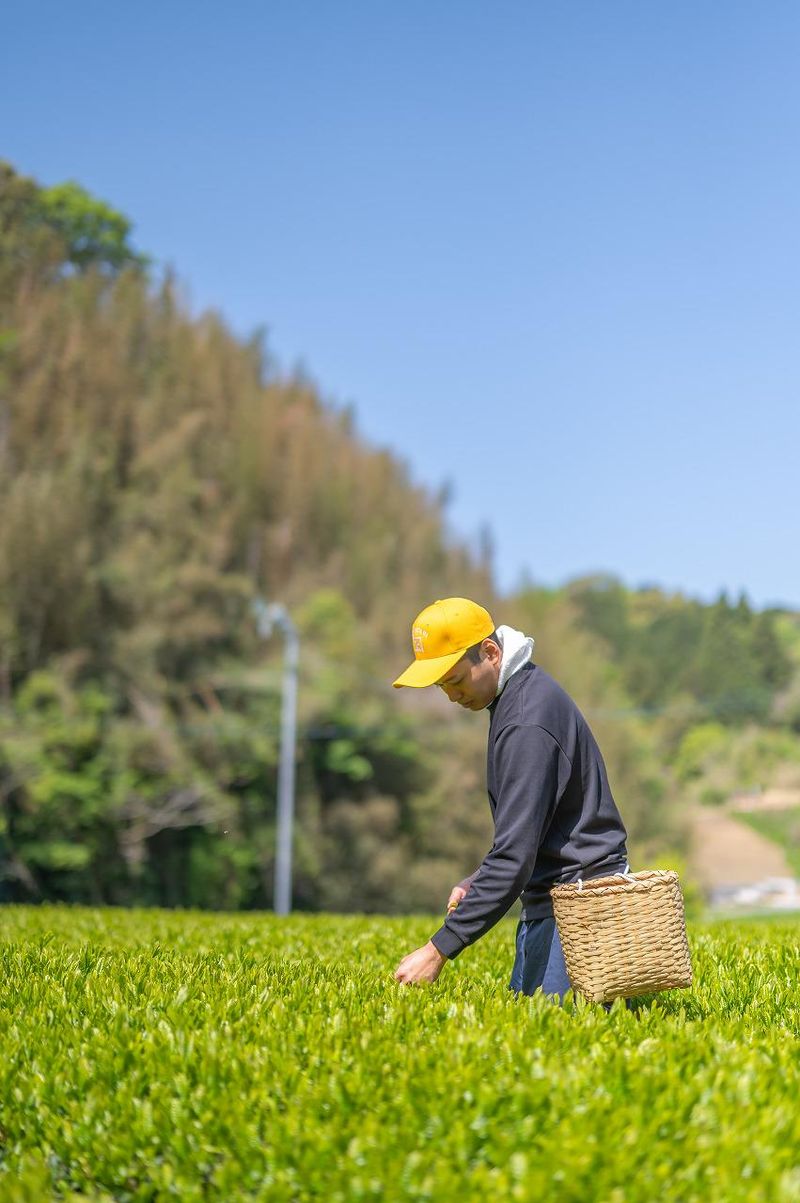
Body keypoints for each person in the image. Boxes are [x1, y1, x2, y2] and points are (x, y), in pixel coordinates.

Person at [391, 596, 630, 1002]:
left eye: (456, 680)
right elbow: (526, 838)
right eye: (441, 685)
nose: (451, 696)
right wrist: (478, 880)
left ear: (490, 652)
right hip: (553, 903)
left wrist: (437, 951)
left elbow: (514, 858)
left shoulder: (525, 721)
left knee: (562, 1046)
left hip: (581, 910)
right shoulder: (518, 697)